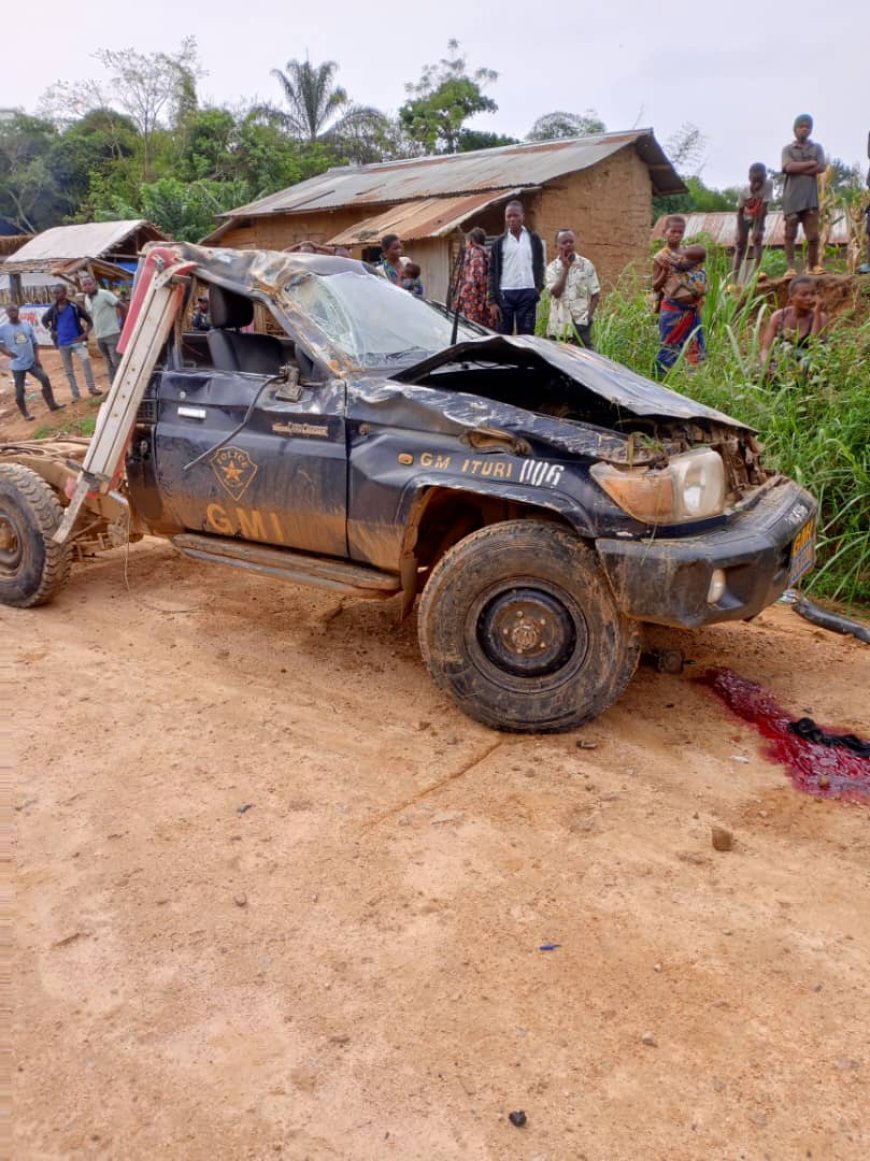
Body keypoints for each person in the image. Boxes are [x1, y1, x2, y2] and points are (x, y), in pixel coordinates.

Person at [487, 200, 545, 335]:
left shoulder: (533, 238)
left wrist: (538, 289)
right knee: (503, 337)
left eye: (515, 215)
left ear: (522, 216)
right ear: (505, 218)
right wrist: (492, 301)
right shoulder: (499, 242)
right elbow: (492, 271)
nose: (512, 219)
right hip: (504, 295)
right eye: (509, 216)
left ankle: (524, 357)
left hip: (527, 293)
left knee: (527, 337)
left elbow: (540, 265)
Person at [0, 305, 65, 421]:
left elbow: (35, 343)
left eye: (14, 310)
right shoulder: (3, 328)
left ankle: (52, 405)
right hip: (17, 365)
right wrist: (7, 353)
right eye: (10, 310)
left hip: (31, 362)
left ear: (18, 311)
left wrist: (37, 358)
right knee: (20, 390)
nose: (13, 312)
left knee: (44, 378)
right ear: (6, 312)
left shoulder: (26, 325)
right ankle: (25, 413)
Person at [782, 115, 826, 276]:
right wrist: (809, 164)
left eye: (808, 126)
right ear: (795, 129)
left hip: (810, 198)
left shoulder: (817, 148)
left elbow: (821, 167)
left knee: (813, 235)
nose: (804, 129)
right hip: (791, 198)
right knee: (790, 234)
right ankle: (791, 267)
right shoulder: (788, 149)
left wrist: (799, 167)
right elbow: (788, 167)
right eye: (801, 126)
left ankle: (813, 265)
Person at [655, 243, 708, 375]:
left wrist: (672, 265)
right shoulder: (681, 270)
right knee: (669, 344)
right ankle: (661, 374)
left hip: (690, 314)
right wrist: (667, 268)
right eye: (682, 258)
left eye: (687, 259)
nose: (682, 261)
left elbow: (698, 289)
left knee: (691, 344)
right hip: (673, 313)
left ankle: (689, 376)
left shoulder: (698, 275)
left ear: (698, 263)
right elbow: (657, 285)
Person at [41, 286, 101, 400]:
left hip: (76, 341)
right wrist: (52, 331)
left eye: (57, 292)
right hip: (62, 343)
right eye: (54, 293)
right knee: (68, 370)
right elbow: (44, 320)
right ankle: (75, 394)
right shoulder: (53, 309)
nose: (55, 295)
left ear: (64, 293)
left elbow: (89, 321)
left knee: (85, 359)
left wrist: (84, 335)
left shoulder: (74, 307)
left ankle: (92, 388)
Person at [544, 229, 601, 348]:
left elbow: (595, 294)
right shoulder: (551, 269)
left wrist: (588, 317)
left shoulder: (586, 265)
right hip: (558, 326)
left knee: (584, 362)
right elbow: (556, 293)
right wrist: (565, 269)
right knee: (558, 362)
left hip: (580, 324)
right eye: (564, 242)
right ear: (556, 246)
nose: (568, 245)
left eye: (571, 242)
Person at [759, 275, 828, 370]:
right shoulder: (779, 316)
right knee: (751, 371)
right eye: (804, 295)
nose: (809, 298)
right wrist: (766, 367)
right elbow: (766, 349)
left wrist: (816, 313)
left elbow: (815, 348)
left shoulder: (821, 317)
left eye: (813, 294)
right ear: (792, 297)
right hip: (782, 364)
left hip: (808, 365)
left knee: (807, 365)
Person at [81, 274, 126, 378]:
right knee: (109, 363)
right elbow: (92, 316)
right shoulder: (87, 299)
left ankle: (124, 386)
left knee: (117, 362)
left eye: (89, 284)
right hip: (99, 336)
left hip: (112, 334)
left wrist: (123, 324)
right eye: (84, 285)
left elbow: (122, 307)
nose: (87, 286)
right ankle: (113, 387)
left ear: (95, 284)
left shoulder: (105, 294)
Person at [734, 163, 773, 275]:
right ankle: (734, 280)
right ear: (749, 179)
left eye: (760, 181)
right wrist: (741, 233)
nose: (757, 185)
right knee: (740, 247)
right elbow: (740, 213)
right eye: (754, 181)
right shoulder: (743, 192)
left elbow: (764, 208)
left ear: (765, 177)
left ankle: (757, 273)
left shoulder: (768, 184)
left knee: (757, 240)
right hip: (744, 218)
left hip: (758, 217)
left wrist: (758, 229)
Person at [453, 227, 490, 325]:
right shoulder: (485, 252)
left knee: (473, 326)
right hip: (481, 297)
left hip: (473, 298)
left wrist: (462, 293)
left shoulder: (475, 252)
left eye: (466, 241)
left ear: (471, 242)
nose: (465, 245)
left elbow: (475, 277)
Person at [652, 215, 686, 313]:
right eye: (673, 231)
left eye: (680, 232)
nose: (676, 235)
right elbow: (655, 287)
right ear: (664, 232)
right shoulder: (660, 257)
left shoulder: (688, 253)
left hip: (690, 306)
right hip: (670, 307)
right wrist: (665, 271)